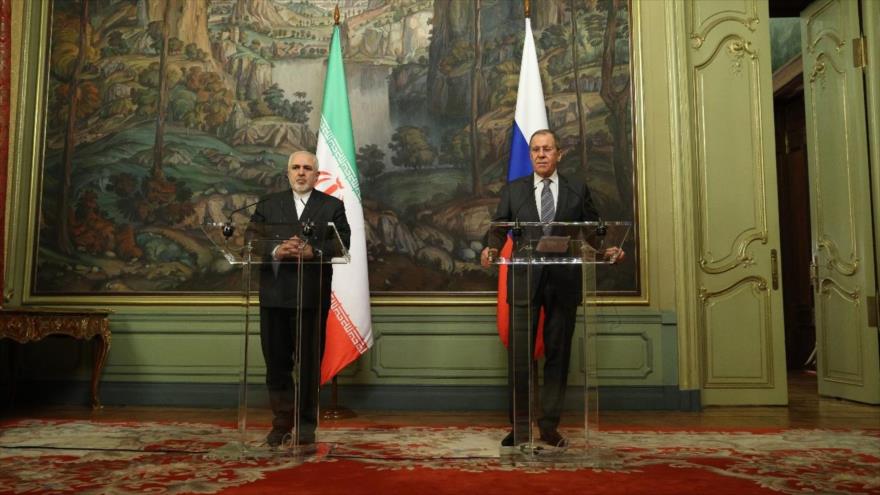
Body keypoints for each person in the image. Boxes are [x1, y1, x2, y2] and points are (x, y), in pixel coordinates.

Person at [480, 129, 624, 448]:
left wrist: (607, 250)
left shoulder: (577, 188)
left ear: (560, 153)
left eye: (547, 149)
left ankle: (549, 426)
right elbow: (498, 227)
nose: (541, 155)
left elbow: (591, 230)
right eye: (535, 150)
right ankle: (519, 426)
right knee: (520, 357)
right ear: (530, 155)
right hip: (523, 280)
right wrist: (489, 249)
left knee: (558, 355)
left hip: (563, 281)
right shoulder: (514, 190)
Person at [249, 151, 351, 447]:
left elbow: (343, 241)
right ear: (288, 172)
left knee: (307, 365)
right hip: (274, 297)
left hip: (310, 296)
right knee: (276, 365)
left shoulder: (331, 205)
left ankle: (306, 426)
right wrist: (275, 250)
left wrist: (314, 251)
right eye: (296, 168)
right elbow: (249, 239)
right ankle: (281, 423)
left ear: (317, 175)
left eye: (307, 168)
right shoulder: (268, 204)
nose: (301, 173)